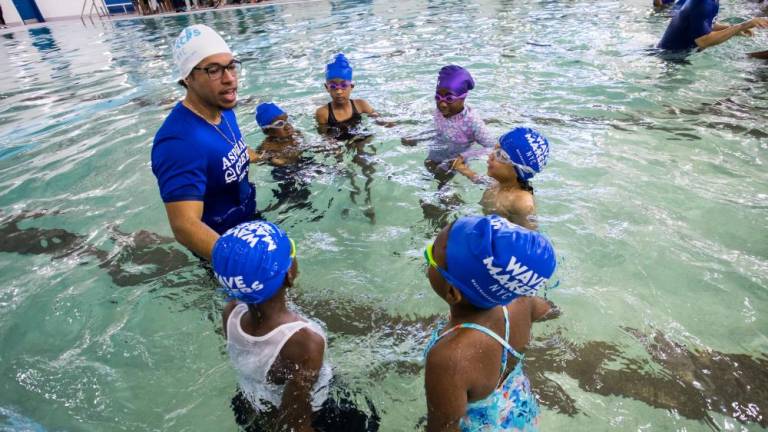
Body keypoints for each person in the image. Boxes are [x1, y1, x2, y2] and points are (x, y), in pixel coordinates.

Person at [215, 221, 379, 431]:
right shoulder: (305, 341)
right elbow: (296, 417)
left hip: (251, 403)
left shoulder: (231, 312)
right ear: (288, 275)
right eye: (291, 250)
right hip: (314, 414)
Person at [423, 215, 559, 431]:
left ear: (452, 292)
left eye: (429, 255)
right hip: (521, 410)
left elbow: (443, 428)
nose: (428, 253)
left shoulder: (449, 358)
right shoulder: (522, 301)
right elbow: (551, 310)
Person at [151, 24, 260, 261]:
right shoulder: (178, 142)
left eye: (231, 66)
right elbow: (184, 225)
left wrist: (268, 155)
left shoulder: (223, 108)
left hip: (248, 221)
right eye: (214, 70)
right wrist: (241, 263)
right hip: (220, 247)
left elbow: (229, 153)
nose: (229, 79)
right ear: (188, 77)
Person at [403, 65, 495, 187]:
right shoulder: (440, 112)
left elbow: (493, 147)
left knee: (442, 179)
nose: (442, 104)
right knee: (428, 167)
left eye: (449, 98)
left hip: (456, 158)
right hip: (438, 150)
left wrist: (464, 156)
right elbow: (437, 129)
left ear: (463, 98)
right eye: (438, 97)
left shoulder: (472, 121)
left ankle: (449, 200)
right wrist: (418, 137)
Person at [453, 127, 550, 230]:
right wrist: (462, 169)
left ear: (518, 170)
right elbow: (480, 180)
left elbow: (531, 238)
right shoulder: (498, 183)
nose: (491, 156)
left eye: (499, 155)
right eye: (495, 149)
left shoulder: (521, 202)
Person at [658, 0, 768, 51]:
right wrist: (742, 26)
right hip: (671, 58)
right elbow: (703, 41)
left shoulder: (712, 1)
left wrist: (731, 28)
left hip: (679, 53)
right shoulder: (702, 3)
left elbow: (708, 24)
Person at [315, 53, 378, 140]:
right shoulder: (323, 113)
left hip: (360, 137)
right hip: (338, 141)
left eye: (344, 86)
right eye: (333, 87)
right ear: (327, 88)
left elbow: (380, 120)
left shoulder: (361, 105)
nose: (339, 92)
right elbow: (324, 137)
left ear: (351, 87)